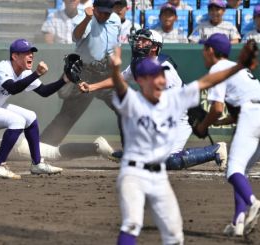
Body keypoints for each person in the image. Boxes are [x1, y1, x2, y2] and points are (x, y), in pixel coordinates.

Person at [79, 38, 254, 245]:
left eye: (161, 75)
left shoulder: (174, 98)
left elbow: (208, 81)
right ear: (142, 81)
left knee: (174, 234)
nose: (161, 80)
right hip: (133, 176)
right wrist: (115, 70)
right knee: (132, 224)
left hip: (159, 177)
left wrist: (240, 66)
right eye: (154, 76)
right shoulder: (132, 102)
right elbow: (120, 85)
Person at [86, 29, 228, 171]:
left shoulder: (164, 68)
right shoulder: (138, 63)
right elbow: (120, 79)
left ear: (154, 47)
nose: (138, 43)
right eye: (138, 39)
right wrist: (92, 87)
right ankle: (122, 154)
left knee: (170, 161)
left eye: (143, 40)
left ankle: (215, 150)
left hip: (181, 113)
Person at [0, 38, 70, 179]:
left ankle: (37, 164)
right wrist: (36, 74)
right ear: (14, 56)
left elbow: (44, 91)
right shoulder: (2, 68)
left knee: (30, 117)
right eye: (26, 53)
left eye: (32, 52)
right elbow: (12, 88)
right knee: (17, 120)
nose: (31, 55)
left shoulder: (24, 72)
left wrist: (65, 80)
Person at [194, 34, 260, 237]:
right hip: (253, 112)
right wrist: (216, 122)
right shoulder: (237, 68)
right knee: (242, 171)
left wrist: (203, 126)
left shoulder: (217, 69)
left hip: (251, 114)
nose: (203, 53)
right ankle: (238, 222)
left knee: (232, 170)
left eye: (205, 49)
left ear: (211, 51)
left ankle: (253, 203)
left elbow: (216, 107)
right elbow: (231, 114)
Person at [40, 0, 121, 146]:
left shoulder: (115, 20)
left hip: (105, 72)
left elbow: (116, 45)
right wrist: (87, 18)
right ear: (94, 9)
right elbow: (76, 36)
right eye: (101, 11)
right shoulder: (84, 17)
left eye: (107, 13)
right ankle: (40, 147)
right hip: (85, 72)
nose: (104, 15)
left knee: (124, 107)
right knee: (67, 116)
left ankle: (134, 148)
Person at [0, 133, 115, 163]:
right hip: (9, 147)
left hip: (9, 148)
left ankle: (96, 146)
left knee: (55, 154)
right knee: (54, 152)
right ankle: (95, 147)